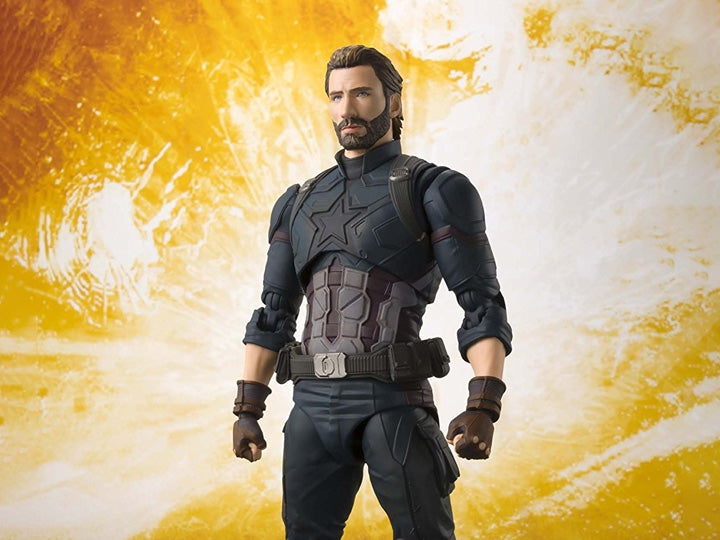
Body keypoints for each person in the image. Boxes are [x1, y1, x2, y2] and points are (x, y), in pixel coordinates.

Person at [232, 45, 512, 540]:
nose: (347, 109)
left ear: (394, 102)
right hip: (311, 408)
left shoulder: (434, 188)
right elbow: (273, 313)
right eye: (336, 96)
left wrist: (483, 402)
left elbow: (481, 304)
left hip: (392, 403)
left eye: (361, 93)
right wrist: (248, 408)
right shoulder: (296, 203)